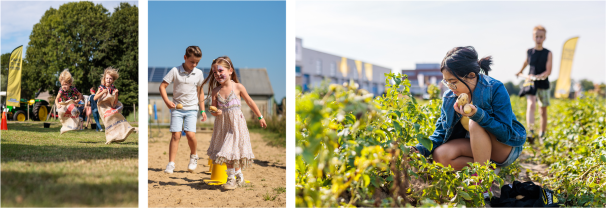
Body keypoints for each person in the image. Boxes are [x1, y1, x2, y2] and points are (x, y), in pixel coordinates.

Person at [412, 46, 526, 198]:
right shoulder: (449, 97)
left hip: (504, 147)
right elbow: (440, 133)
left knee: (475, 122)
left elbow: (506, 133)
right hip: (477, 146)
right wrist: (418, 150)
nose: (451, 88)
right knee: (440, 155)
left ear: (471, 75)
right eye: (446, 82)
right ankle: (489, 171)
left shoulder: (495, 88)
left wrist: (478, 115)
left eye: (453, 82)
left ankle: (482, 182)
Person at [203, 56, 267, 190]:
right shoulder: (215, 91)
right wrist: (216, 113)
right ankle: (239, 177)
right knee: (229, 152)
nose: (218, 74)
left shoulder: (238, 87)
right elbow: (214, 109)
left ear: (230, 70)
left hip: (236, 125)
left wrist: (260, 116)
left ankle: (231, 179)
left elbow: (250, 102)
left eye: (220, 71)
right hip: (223, 126)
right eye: (215, 72)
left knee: (230, 150)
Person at [161, 46, 208, 174]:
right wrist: (167, 102)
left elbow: (201, 92)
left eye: (197, 62)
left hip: (192, 108)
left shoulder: (198, 73)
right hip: (177, 108)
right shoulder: (175, 71)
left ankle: (194, 156)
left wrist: (203, 110)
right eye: (192, 61)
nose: (194, 64)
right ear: (185, 57)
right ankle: (171, 164)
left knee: (190, 134)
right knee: (176, 135)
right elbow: (162, 87)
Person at [516, 25, 552, 142]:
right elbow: (526, 62)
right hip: (530, 82)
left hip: (543, 83)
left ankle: (542, 134)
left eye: (541, 37)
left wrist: (540, 76)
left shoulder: (548, 53)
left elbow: (548, 71)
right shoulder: (529, 51)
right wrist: (520, 71)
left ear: (544, 37)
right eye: (537, 36)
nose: (539, 39)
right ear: (533, 37)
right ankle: (530, 132)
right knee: (531, 105)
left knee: (543, 110)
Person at [94, 67, 135, 144]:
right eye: (107, 78)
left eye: (110, 78)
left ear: (113, 80)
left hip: (111, 107)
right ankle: (110, 138)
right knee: (108, 121)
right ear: (104, 79)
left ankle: (121, 133)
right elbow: (95, 98)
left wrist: (116, 94)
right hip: (103, 107)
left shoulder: (113, 88)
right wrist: (102, 92)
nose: (108, 80)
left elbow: (115, 102)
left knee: (114, 120)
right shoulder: (101, 87)